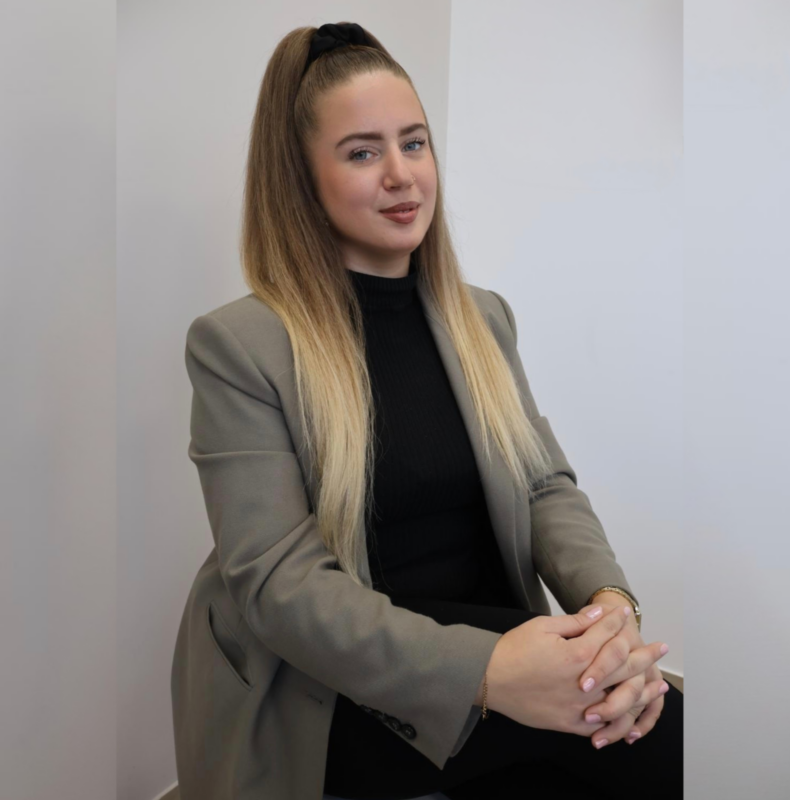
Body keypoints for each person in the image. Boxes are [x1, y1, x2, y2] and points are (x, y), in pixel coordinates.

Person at [170, 22, 683, 800]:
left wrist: (608, 607)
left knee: (651, 712)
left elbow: (544, 487)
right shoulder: (239, 347)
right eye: (362, 153)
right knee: (654, 742)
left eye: (414, 143)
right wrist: (489, 671)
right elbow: (280, 587)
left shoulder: (483, 319)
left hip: (488, 640)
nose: (402, 175)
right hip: (337, 684)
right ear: (301, 178)